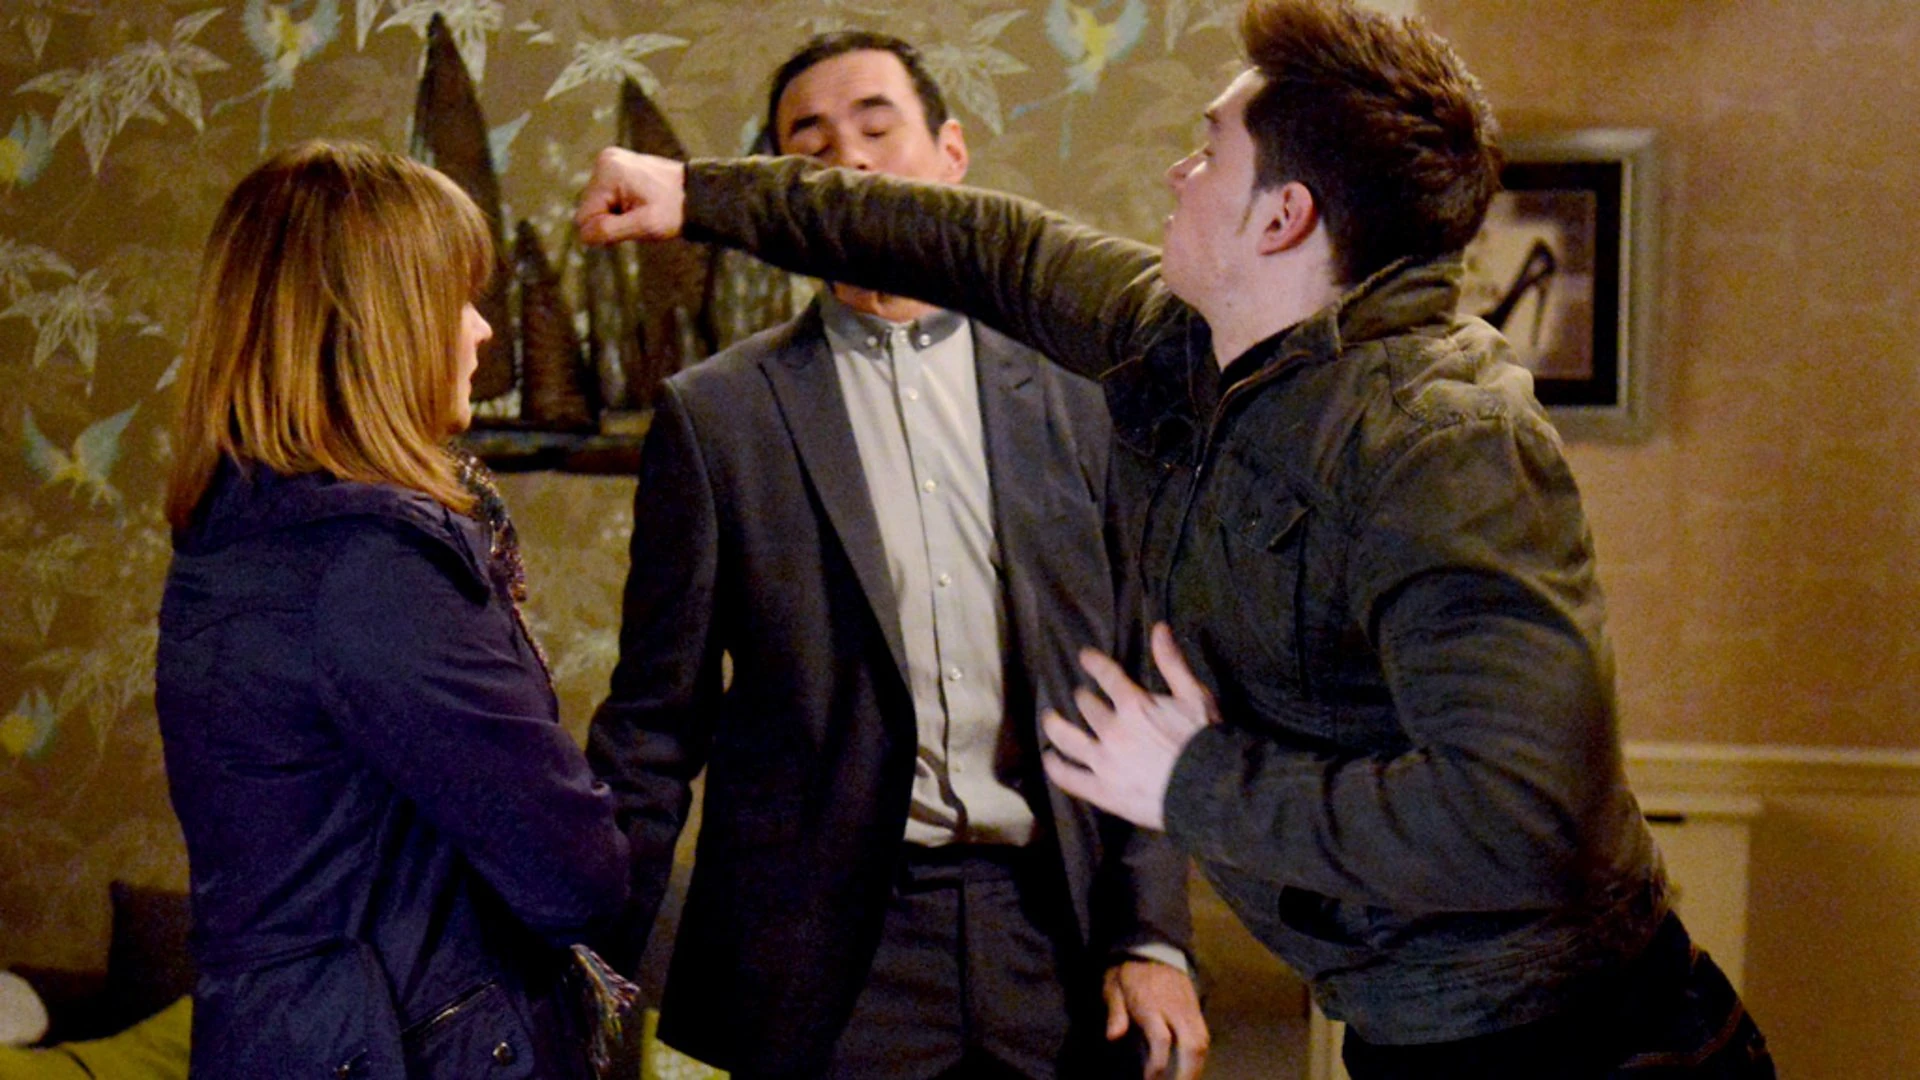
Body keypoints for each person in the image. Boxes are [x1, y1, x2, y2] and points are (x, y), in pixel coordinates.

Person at [574, 1, 1777, 1076]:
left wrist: (1189, 783)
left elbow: (1518, 818)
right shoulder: (1182, 342)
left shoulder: (1445, 444)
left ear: (1283, 218)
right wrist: (698, 197)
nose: (1178, 169)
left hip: (1578, 1042)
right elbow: (982, 245)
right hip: (1410, 1027)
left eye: (1210, 152)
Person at [584, 31, 1205, 1080]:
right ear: (781, 196)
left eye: (878, 127)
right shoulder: (721, 415)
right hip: (826, 956)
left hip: (1053, 929)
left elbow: (1147, 678)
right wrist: (588, 967)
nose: (852, 161)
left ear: (952, 154)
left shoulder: (1080, 393)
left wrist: (1152, 935)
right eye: (810, 146)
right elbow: (654, 722)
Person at [157, 141, 629, 1080]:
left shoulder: (240, 532)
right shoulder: (372, 567)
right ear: (382, 327)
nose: (482, 332)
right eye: (458, 299)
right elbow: (575, 876)